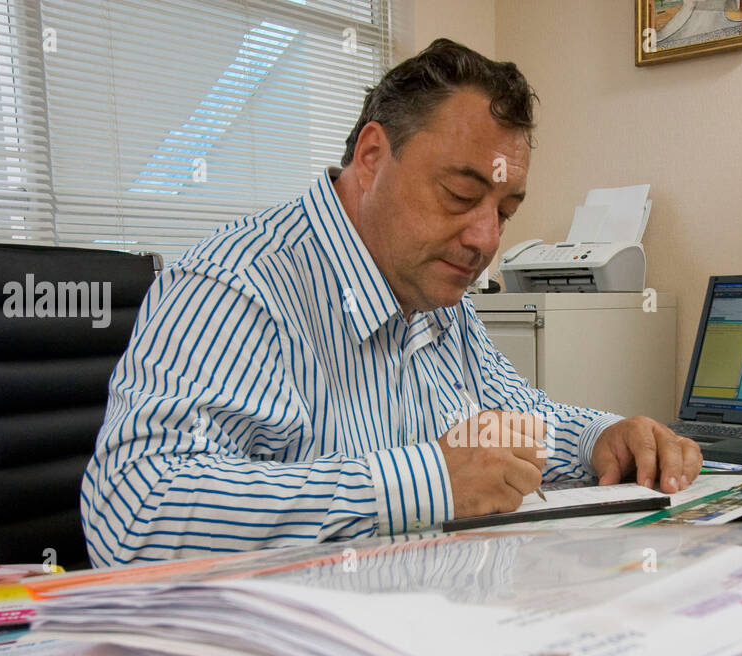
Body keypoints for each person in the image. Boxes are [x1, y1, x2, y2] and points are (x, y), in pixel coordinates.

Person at [81, 39, 701, 565]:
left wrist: (601, 438)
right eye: (461, 194)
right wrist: (428, 483)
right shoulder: (238, 282)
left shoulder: (434, 292)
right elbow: (134, 512)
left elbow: (513, 422)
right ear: (373, 157)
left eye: (506, 212)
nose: (485, 239)